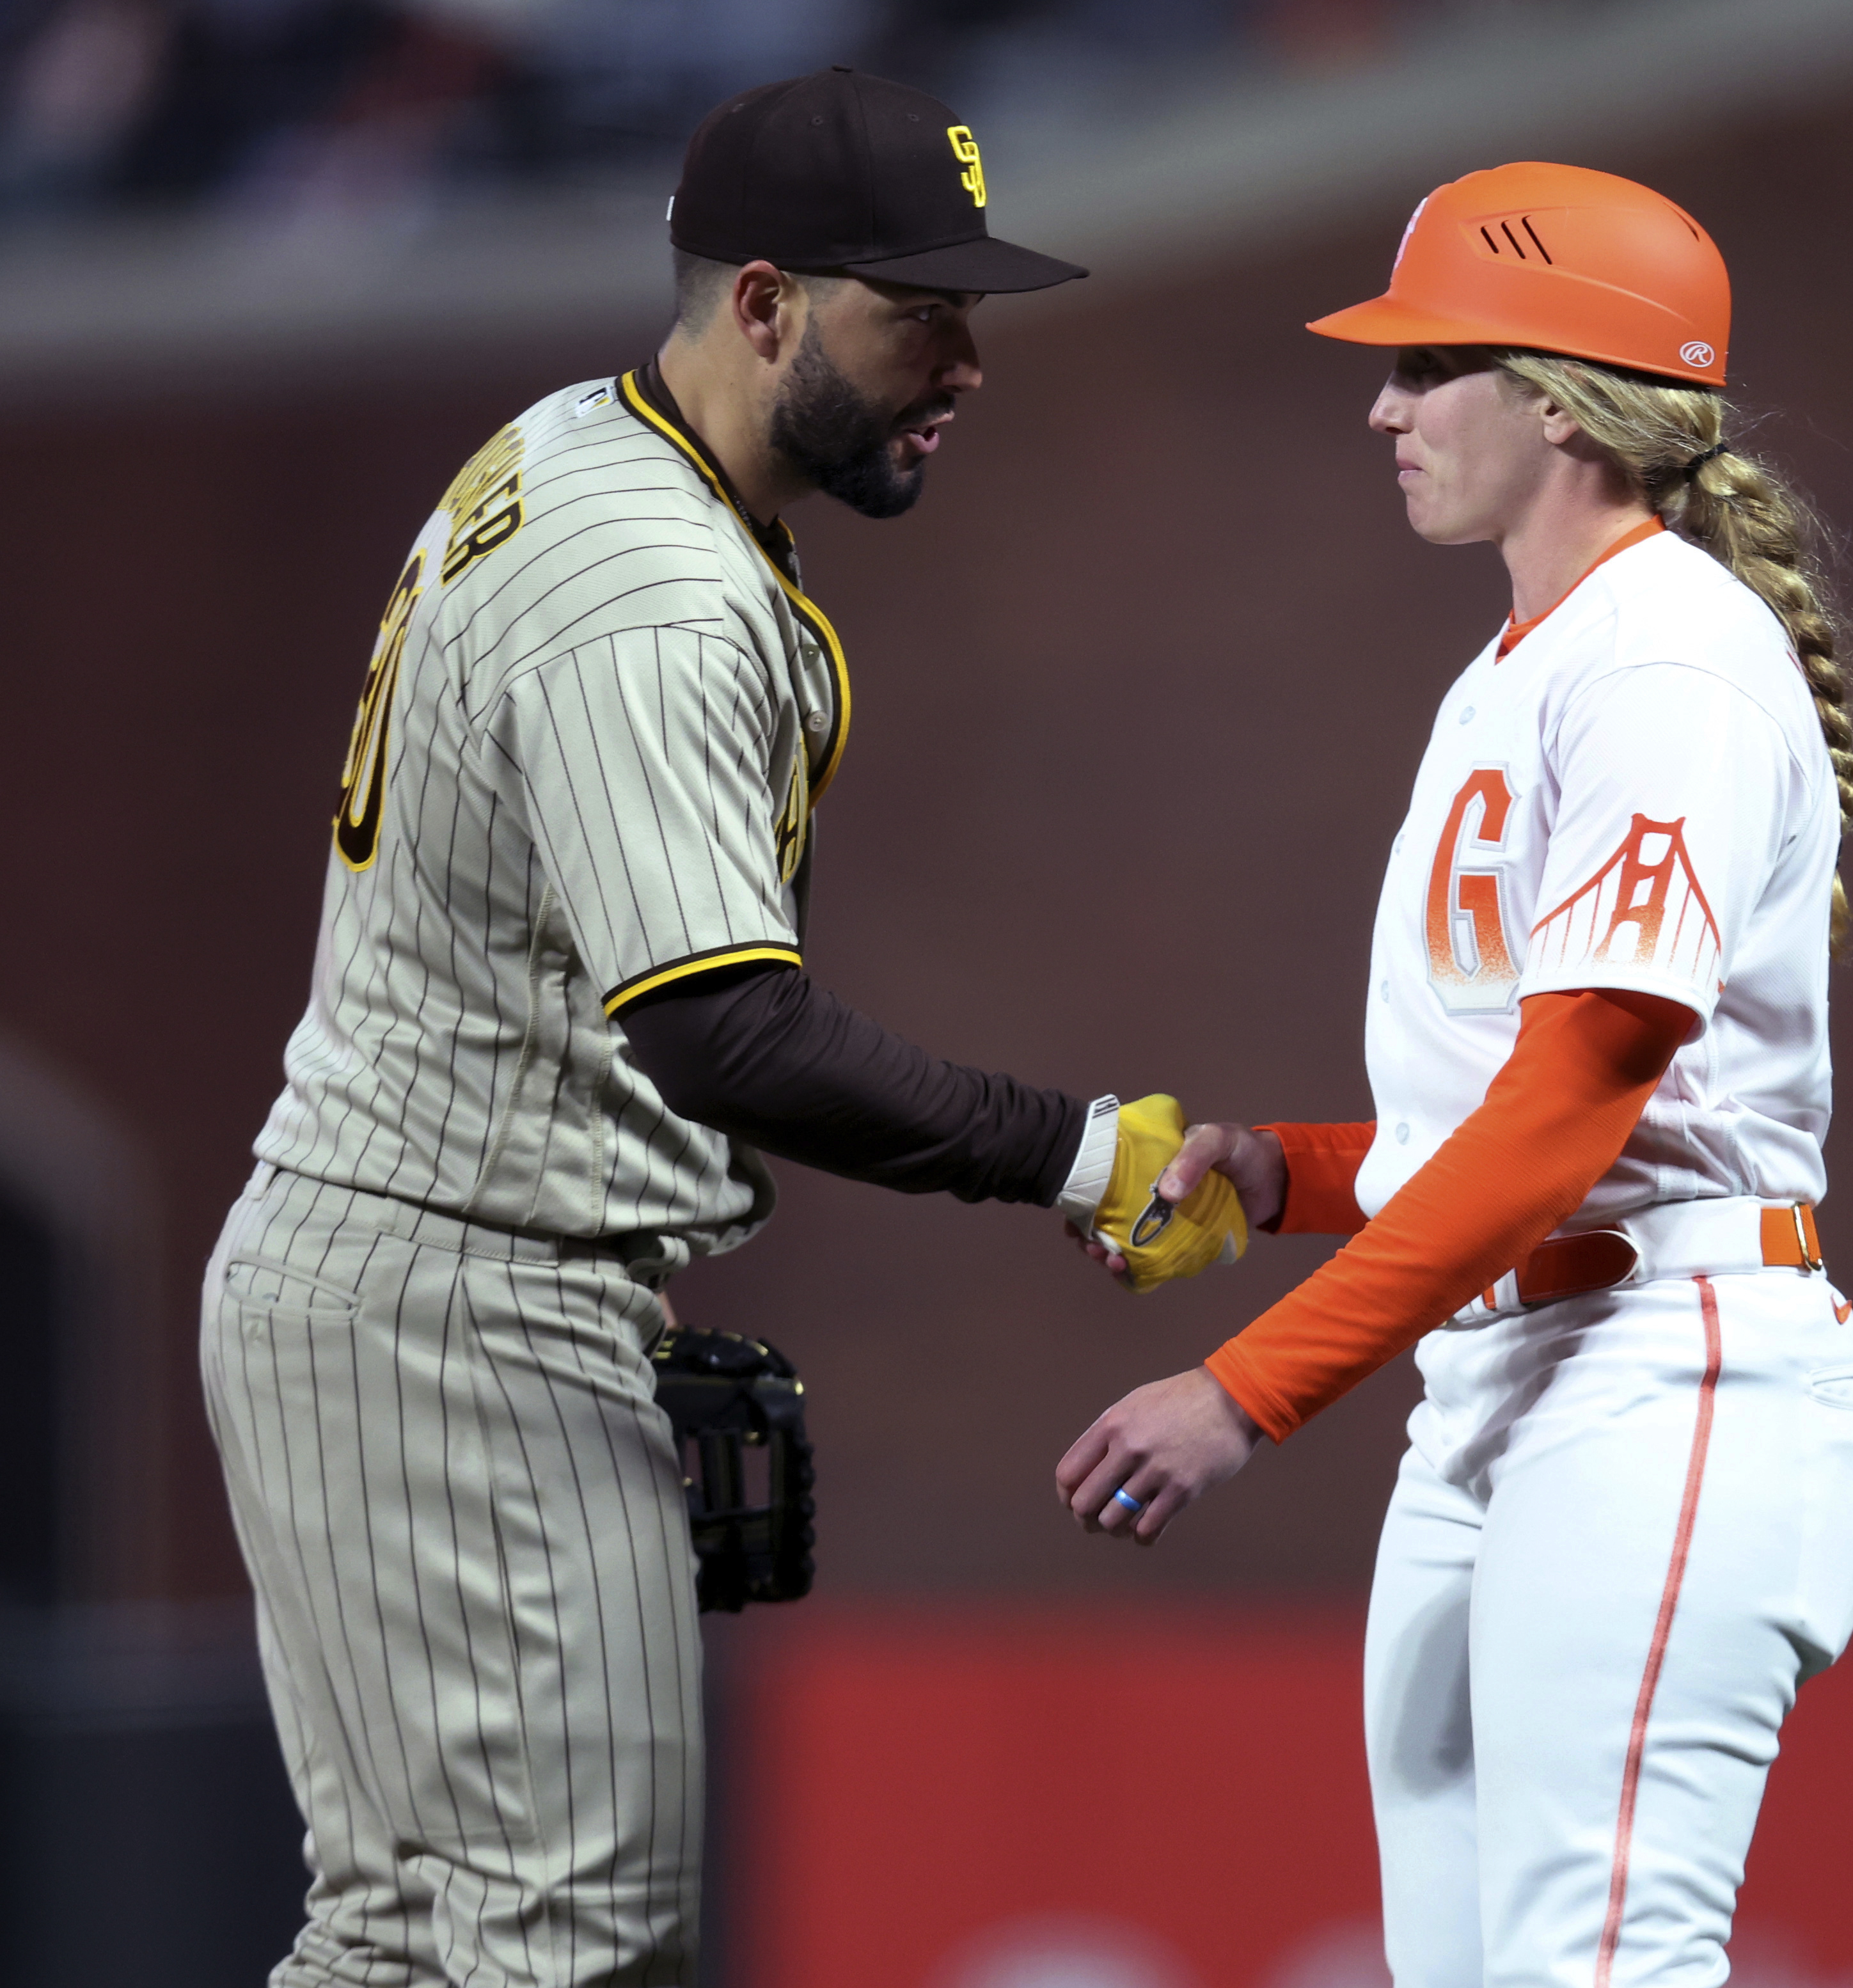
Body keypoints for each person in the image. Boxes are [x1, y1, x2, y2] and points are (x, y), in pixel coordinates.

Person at [200, 67, 1238, 1988]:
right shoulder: (655, 589)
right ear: (765, 304)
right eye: (915, 310)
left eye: (971, 309)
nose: (964, 358)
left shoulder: (584, 442)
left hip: (397, 1267)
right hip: (459, 1298)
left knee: (409, 1942)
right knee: (567, 1944)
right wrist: (1084, 1152)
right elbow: (728, 1038)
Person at [1052, 162, 1853, 1985]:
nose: (1384, 405)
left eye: (1429, 364)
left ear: (1567, 394)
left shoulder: (1670, 655)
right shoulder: (1524, 662)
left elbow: (1579, 1104)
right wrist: (1282, 1170)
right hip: (1511, 1375)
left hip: (1666, 1370)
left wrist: (1245, 1391)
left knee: (1601, 1961)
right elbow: (1500, 1129)